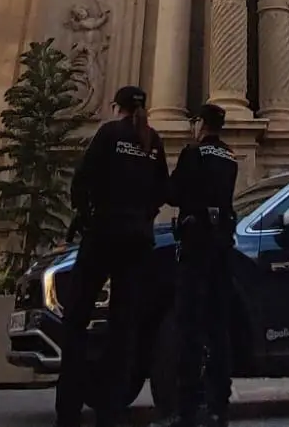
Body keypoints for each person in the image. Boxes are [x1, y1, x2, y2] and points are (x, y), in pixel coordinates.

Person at [57, 85, 170, 427]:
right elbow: (162, 190)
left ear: (117, 106)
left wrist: (87, 215)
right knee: (125, 327)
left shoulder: (109, 133)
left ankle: (69, 411)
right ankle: (112, 411)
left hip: (103, 235)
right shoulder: (153, 141)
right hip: (137, 241)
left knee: (76, 320)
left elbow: (83, 179)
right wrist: (144, 217)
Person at [164, 103, 239, 427]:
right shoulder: (231, 157)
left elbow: (174, 194)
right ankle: (219, 405)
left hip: (196, 247)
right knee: (219, 327)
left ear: (200, 124)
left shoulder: (193, 154)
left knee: (190, 327)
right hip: (222, 245)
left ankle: (187, 408)